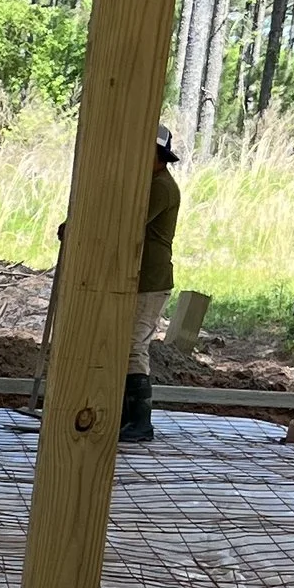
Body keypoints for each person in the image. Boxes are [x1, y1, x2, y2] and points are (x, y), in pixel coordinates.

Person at [119, 127, 180, 445]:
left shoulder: (161, 187)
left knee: (134, 345)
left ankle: (140, 422)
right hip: (138, 278)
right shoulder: (150, 183)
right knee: (125, 345)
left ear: (158, 156)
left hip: (151, 281)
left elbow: (127, 224)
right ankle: (125, 416)